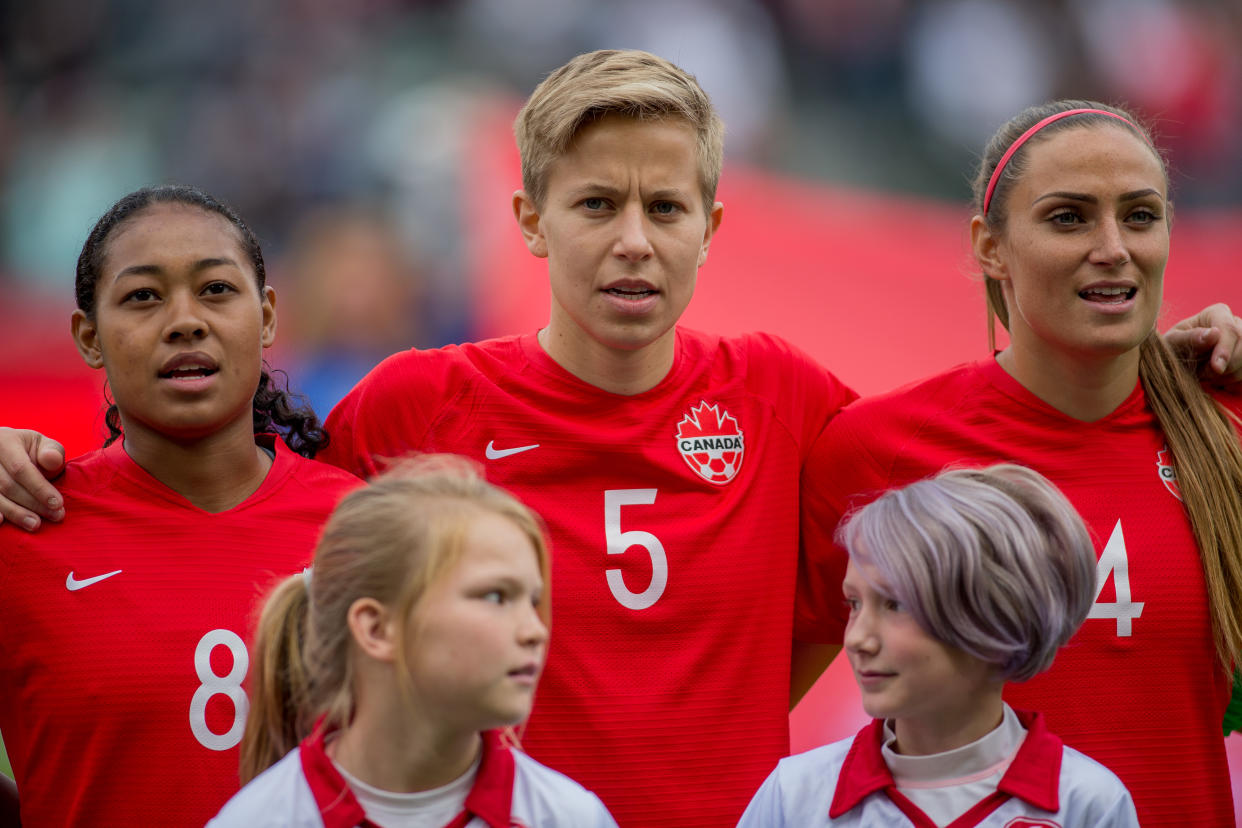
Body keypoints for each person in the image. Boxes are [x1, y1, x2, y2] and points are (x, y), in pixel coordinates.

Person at [0, 56, 1240, 828]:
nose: (632, 240)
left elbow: (884, 564)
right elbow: (236, 519)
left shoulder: (789, 399)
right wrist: (39, 460)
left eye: (664, 206)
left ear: (714, 220)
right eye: (596, 206)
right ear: (532, 220)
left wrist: (1175, 373)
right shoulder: (414, 407)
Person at [798, 101, 1242, 827]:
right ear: (990, 247)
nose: (1113, 247)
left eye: (1139, 216)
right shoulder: (876, 448)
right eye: (1069, 217)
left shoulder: (1225, 433)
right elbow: (758, 705)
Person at [0, 185, 360, 826]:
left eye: (217, 289)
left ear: (269, 315)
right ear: (88, 337)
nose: (185, 320)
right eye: (143, 296)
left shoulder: (363, 531)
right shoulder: (27, 528)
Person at [208, 455, 617, 827]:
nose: (535, 631)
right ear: (376, 629)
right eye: (496, 596)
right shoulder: (260, 819)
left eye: (533, 600)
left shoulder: (568, 816)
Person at [741, 465, 1140, 827]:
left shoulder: (1087, 803)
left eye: (896, 603)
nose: (857, 639)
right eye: (853, 604)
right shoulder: (795, 797)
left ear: (995, 615)